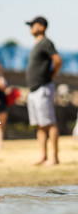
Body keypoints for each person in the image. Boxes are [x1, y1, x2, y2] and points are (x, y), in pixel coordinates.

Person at [25, 16, 62, 165]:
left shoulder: (46, 42)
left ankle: (54, 157)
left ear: (42, 27)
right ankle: (43, 156)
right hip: (34, 90)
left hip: (43, 88)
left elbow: (57, 60)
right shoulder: (37, 44)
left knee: (50, 123)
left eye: (33, 25)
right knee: (40, 124)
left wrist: (51, 76)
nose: (31, 28)